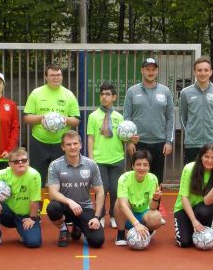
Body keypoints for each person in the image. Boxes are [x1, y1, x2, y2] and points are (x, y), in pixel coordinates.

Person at [23, 64, 80, 186]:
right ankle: (38, 205)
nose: (56, 77)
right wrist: (43, 118)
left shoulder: (69, 95)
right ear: (46, 77)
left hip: (61, 144)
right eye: (52, 75)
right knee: (37, 179)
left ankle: (60, 205)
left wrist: (63, 119)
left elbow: (76, 120)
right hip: (39, 143)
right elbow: (27, 118)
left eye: (58, 75)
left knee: (61, 179)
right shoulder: (36, 93)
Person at [46, 130, 105, 248]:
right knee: (52, 207)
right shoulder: (55, 165)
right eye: (68, 144)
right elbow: (52, 193)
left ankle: (78, 226)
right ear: (63, 147)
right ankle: (63, 230)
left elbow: (100, 192)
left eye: (75, 143)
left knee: (97, 241)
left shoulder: (91, 164)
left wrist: (97, 217)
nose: (72, 147)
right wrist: (69, 201)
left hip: (84, 208)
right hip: (64, 207)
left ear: (81, 145)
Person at [123, 57, 174, 185]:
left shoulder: (166, 91)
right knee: (137, 179)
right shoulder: (132, 91)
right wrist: (129, 141)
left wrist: (169, 141)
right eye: (147, 69)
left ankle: (155, 205)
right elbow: (126, 118)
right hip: (139, 143)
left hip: (160, 143)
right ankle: (136, 205)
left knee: (156, 180)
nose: (150, 72)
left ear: (157, 71)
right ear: (142, 70)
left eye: (153, 69)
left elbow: (170, 118)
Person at [0, 147, 42, 248]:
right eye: (16, 161)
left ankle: (23, 233)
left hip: (25, 216)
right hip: (7, 213)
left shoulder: (34, 175)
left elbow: (35, 200)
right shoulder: (5, 173)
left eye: (24, 160)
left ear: (28, 162)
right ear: (9, 164)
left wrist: (32, 218)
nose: (20, 163)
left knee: (33, 243)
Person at [173, 144, 213, 247]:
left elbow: (207, 202)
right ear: (201, 156)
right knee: (184, 243)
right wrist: (194, 221)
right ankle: (192, 225)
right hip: (184, 208)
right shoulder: (189, 168)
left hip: (204, 207)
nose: (209, 160)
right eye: (207, 157)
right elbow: (184, 198)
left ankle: (205, 224)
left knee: (204, 211)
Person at [87, 82, 126, 228]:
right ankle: (100, 215)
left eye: (108, 94)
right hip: (99, 159)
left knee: (116, 189)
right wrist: (91, 159)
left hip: (117, 158)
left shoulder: (119, 117)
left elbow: (123, 137)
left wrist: (131, 138)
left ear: (114, 97)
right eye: (102, 94)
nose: (104, 97)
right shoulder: (93, 116)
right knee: (101, 189)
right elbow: (90, 137)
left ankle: (114, 216)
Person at [179, 57, 213, 165]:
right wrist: (190, 133)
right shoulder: (185, 93)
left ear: (211, 72)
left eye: (206, 70)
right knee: (192, 175)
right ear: (194, 72)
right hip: (192, 143)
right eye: (199, 70)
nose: (203, 73)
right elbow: (183, 117)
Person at [114, 150, 164, 246]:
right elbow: (123, 205)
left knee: (157, 217)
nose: (142, 168)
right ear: (133, 166)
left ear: (149, 167)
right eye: (138, 164)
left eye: (145, 165)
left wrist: (155, 199)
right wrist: (136, 223)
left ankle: (148, 231)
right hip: (128, 217)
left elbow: (153, 207)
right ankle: (120, 234)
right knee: (118, 202)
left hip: (143, 216)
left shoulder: (153, 179)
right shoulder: (124, 178)